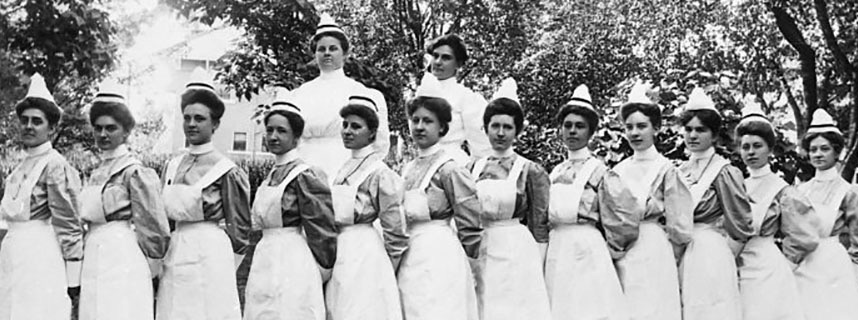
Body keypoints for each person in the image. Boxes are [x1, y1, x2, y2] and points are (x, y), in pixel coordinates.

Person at [157, 69, 252, 320]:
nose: (191, 124)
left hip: (211, 254)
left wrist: (222, 270)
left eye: (199, 118)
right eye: (187, 118)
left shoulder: (227, 171)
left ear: (215, 124)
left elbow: (240, 230)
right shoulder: (172, 165)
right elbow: (163, 218)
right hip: (176, 249)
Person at [544, 84, 639, 320]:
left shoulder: (600, 172)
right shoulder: (554, 172)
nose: (573, 132)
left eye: (580, 126)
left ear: (590, 132)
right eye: (568, 126)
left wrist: (608, 252)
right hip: (557, 248)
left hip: (587, 249)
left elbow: (623, 218)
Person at [78, 83, 171, 320]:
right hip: (94, 250)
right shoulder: (95, 171)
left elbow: (154, 225)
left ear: (126, 132)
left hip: (123, 254)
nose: (103, 134)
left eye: (111, 128)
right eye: (98, 128)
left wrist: (153, 268)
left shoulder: (134, 172)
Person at [243, 94, 338, 320]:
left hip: (293, 259)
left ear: (296, 137)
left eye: (281, 131)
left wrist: (321, 269)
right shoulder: (270, 175)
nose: (273, 136)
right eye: (270, 130)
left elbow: (321, 228)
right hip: (264, 256)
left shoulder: (305, 175)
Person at [397, 74, 482, 320]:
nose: (420, 127)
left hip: (440, 253)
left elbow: (469, 220)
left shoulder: (451, 168)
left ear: (442, 127)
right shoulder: (408, 168)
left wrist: (472, 265)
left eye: (428, 121)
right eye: (415, 120)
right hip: (410, 251)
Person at [0, 73, 84, 319]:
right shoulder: (18, 167)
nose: (28, 126)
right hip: (12, 252)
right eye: (24, 120)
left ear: (51, 127)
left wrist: (73, 279)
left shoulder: (55, 165)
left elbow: (68, 222)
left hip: (40, 253)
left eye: (37, 121)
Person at [466, 79, 551, 320]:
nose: (501, 133)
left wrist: (538, 263)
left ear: (517, 131)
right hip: (479, 245)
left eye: (507, 127)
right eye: (495, 126)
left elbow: (539, 223)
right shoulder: (471, 167)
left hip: (515, 248)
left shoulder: (530, 170)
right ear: (485, 128)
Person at [612, 82, 691, 320]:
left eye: (642, 126)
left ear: (655, 128)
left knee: (656, 308)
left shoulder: (667, 169)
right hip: (623, 249)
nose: (635, 133)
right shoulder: (618, 170)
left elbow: (680, 222)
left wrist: (669, 256)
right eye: (629, 127)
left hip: (655, 246)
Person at [325, 94, 407, 320]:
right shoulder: (342, 169)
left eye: (356, 126)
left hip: (365, 253)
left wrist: (384, 269)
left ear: (372, 132)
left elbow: (395, 229)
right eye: (345, 125)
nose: (348, 131)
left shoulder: (379, 173)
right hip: (339, 247)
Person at [734, 100, 817, 320]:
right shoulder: (737, 185)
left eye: (757, 146)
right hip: (736, 266)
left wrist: (785, 265)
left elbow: (804, 236)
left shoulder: (782, 190)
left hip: (768, 269)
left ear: (770, 149)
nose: (751, 152)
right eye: (745, 146)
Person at [676, 87, 754, 320]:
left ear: (714, 135)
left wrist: (723, 259)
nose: (692, 135)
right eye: (688, 129)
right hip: (682, 249)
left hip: (712, 251)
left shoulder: (724, 171)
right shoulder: (678, 171)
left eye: (700, 130)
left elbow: (741, 225)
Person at [289, 13, 390, 182]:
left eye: (333, 48)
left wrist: (359, 176)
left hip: (347, 173)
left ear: (344, 53)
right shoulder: (299, 94)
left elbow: (379, 145)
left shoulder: (362, 93)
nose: (327, 53)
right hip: (305, 172)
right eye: (321, 49)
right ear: (315, 54)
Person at [794, 108, 858, 319]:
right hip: (803, 261)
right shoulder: (801, 190)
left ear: (836, 151)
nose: (818, 154)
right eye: (813, 150)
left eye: (824, 149)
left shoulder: (847, 190)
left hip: (833, 264)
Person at [426, 34, 491, 164]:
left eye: (446, 58)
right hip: (422, 164)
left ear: (458, 64)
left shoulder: (465, 97)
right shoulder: (422, 93)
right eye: (435, 56)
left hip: (451, 164)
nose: (438, 62)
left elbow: (482, 147)